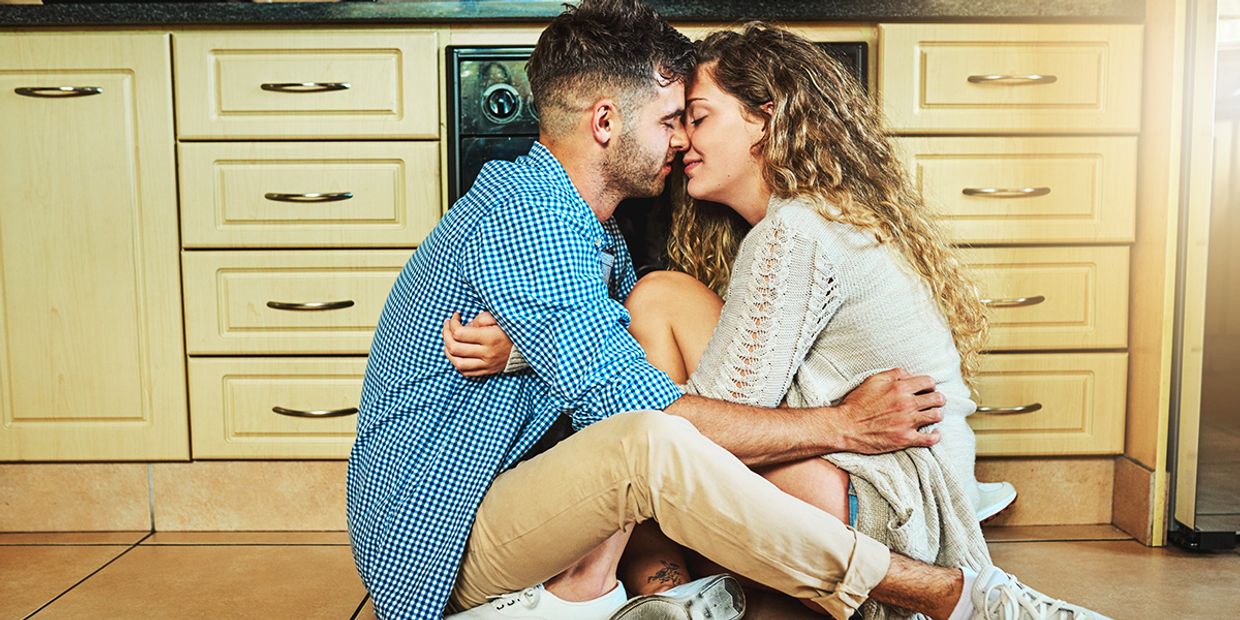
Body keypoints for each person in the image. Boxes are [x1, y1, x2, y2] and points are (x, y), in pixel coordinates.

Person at [357, 1, 1104, 619]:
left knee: (656, 365)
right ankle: (944, 596)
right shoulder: (533, 220)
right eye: (670, 120)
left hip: (506, 506)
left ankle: (644, 589)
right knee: (650, 441)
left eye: (694, 119)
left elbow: (610, 344)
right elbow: (644, 404)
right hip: (440, 542)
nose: (679, 142)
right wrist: (838, 424)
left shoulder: (591, 228)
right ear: (607, 122)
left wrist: (523, 348)